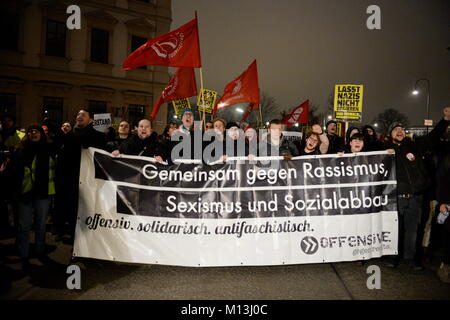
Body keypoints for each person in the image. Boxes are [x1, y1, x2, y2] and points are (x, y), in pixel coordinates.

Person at [383, 107, 450, 270]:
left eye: (401, 129)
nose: (399, 131)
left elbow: (433, 137)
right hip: (396, 197)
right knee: (395, 229)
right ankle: (393, 257)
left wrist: (445, 120)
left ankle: (411, 258)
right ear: (390, 134)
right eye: (395, 129)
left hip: (415, 197)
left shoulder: (415, 146)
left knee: (413, 230)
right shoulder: (385, 151)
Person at [54, 109, 107, 243]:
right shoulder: (69, 134)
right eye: (78, 114)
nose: (79, 116)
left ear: (90, 120)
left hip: (87, 179)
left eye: (83, 115)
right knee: (69, 209)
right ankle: (70, 235)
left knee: (83, 210)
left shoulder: (96, 135)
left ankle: (83, 241)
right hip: (68, 179)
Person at [12, 125, 56, 270]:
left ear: (42, 134)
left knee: (40, 225)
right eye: (30, 131)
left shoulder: (49, 149)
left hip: (42, 193)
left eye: (36, 131)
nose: (33, 133)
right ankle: (23, 254)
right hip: (24, 193)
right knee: (24, 226)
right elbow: (15, 170)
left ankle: (39, 251)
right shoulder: (20, 150)